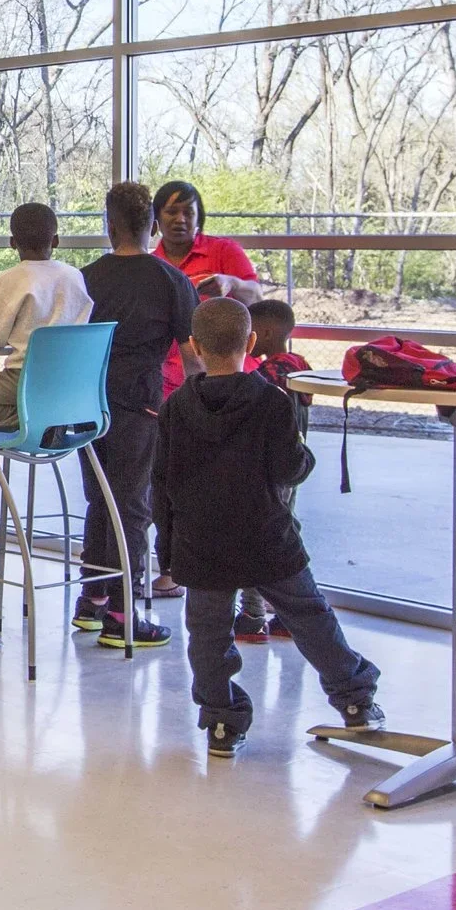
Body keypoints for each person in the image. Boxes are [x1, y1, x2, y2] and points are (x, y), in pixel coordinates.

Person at [160, 298, 386, 759]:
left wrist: (169, 549)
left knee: (207, 634)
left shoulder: (175, 408)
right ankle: (355, 700)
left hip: (200, 540)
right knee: (309, 616)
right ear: (251, 342)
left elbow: (161, 483)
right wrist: (305, 455)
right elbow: (289, 468)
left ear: (195, 346)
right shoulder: (270, 401)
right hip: (266, 535)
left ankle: (221, 722)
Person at [73, 182, 198, 651]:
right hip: (139, 404)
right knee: (131, 505)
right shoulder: (171, 281)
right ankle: (124, 614)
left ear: (109, 227)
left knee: (99, 500)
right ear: (152, 226)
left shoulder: (84, 279)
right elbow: (192, 358)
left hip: (86, 402)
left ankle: (92, 600)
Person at [148, 180, 263, 599]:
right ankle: (172, 566)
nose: (180, 220)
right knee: (170, 479)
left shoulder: (223, 251)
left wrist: (230, 284)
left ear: (200, 218)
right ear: (156, 219)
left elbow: (257, 295)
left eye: (189, 213)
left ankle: (253, 580)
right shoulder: (151, 264)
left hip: (230, 378)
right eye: (171, 212)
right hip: (171, 382)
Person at [0, 202, 94, 438]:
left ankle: (37, 417)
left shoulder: (9, 279)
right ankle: (52, 415)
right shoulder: (74, 276)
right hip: (69, 380)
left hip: (25, 377)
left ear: (12, 242)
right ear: (56, 241)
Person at [234, 298, 313, 643]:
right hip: (290, 466)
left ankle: (252, 615)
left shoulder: (267, 378)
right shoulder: (299, 370)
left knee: (254, 536)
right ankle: (287, 615)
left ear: (264, 333)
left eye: (250, 331)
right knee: (285, 530)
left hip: (265, 469)